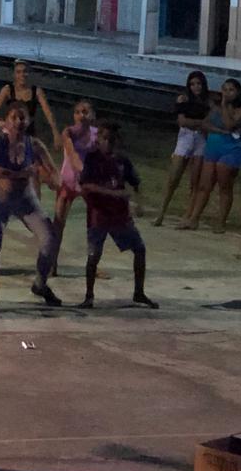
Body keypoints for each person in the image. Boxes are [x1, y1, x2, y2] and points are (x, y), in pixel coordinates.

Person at [0, 101, 61, 307]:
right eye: (14, 117)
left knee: (49, 238)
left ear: (29, 121)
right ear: (6, 121)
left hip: (25, 198)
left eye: (22, 117)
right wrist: (17, 174)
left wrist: (55, 182)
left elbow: (53, 171)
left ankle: (40, 284)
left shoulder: (34, 145)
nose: (19, 121)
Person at [78, 120, 158, 310]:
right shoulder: (93, 159)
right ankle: (89, 296)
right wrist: (112, 193)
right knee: (94, 254)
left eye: (111, 140)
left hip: (119, 214)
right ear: (98, 139)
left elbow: (135, 183)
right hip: (99, 213)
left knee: (139, 249)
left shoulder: (122, 161)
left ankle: (139, 292)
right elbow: (86, 185)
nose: (108, 143)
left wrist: (139, 204)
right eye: (104, 138)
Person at [179, 78, 241, 233]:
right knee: (204, 185)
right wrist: (218, 130)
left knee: (224, 186)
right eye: (225, 89)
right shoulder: (216, 107)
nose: (227, 93)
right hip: (213, 146)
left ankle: (221, 222)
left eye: (231, 90)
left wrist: (224, 106)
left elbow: (230, 124)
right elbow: (205, 123)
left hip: (230, 149)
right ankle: (194, 219)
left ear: (238, 92)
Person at [152, 71, 211, 226]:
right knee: (173, 177)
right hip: (186, 137)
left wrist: (197, 123)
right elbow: (183, 122)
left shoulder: (208, 102)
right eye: (192, 84)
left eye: (198, 84)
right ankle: (161, 213)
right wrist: (199, 123)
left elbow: (207, 122)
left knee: (195, 180)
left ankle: (188, 216)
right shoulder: (183, 99)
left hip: (200, 139)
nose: (196, 87)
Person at [54, 99, 98, 272]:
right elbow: (72, 156)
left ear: (92, 115)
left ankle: (92, 265)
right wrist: (84, 171)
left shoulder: (96, 134)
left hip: (88, 183)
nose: (81, 115)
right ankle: (52, 263)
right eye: (78, 112)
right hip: (69, 181)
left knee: (94, 225)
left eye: (85, 112)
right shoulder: (69, 132)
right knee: (58, 223)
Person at [0, 60, 60, 147]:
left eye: (25, 71)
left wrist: (55, 133)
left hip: (29, 133)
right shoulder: (7, 90)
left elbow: (48, 114)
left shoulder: (37, 91)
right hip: (10, 133)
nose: (22, 75)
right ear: (14, 74)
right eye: (18, 72)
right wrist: (0, 122)